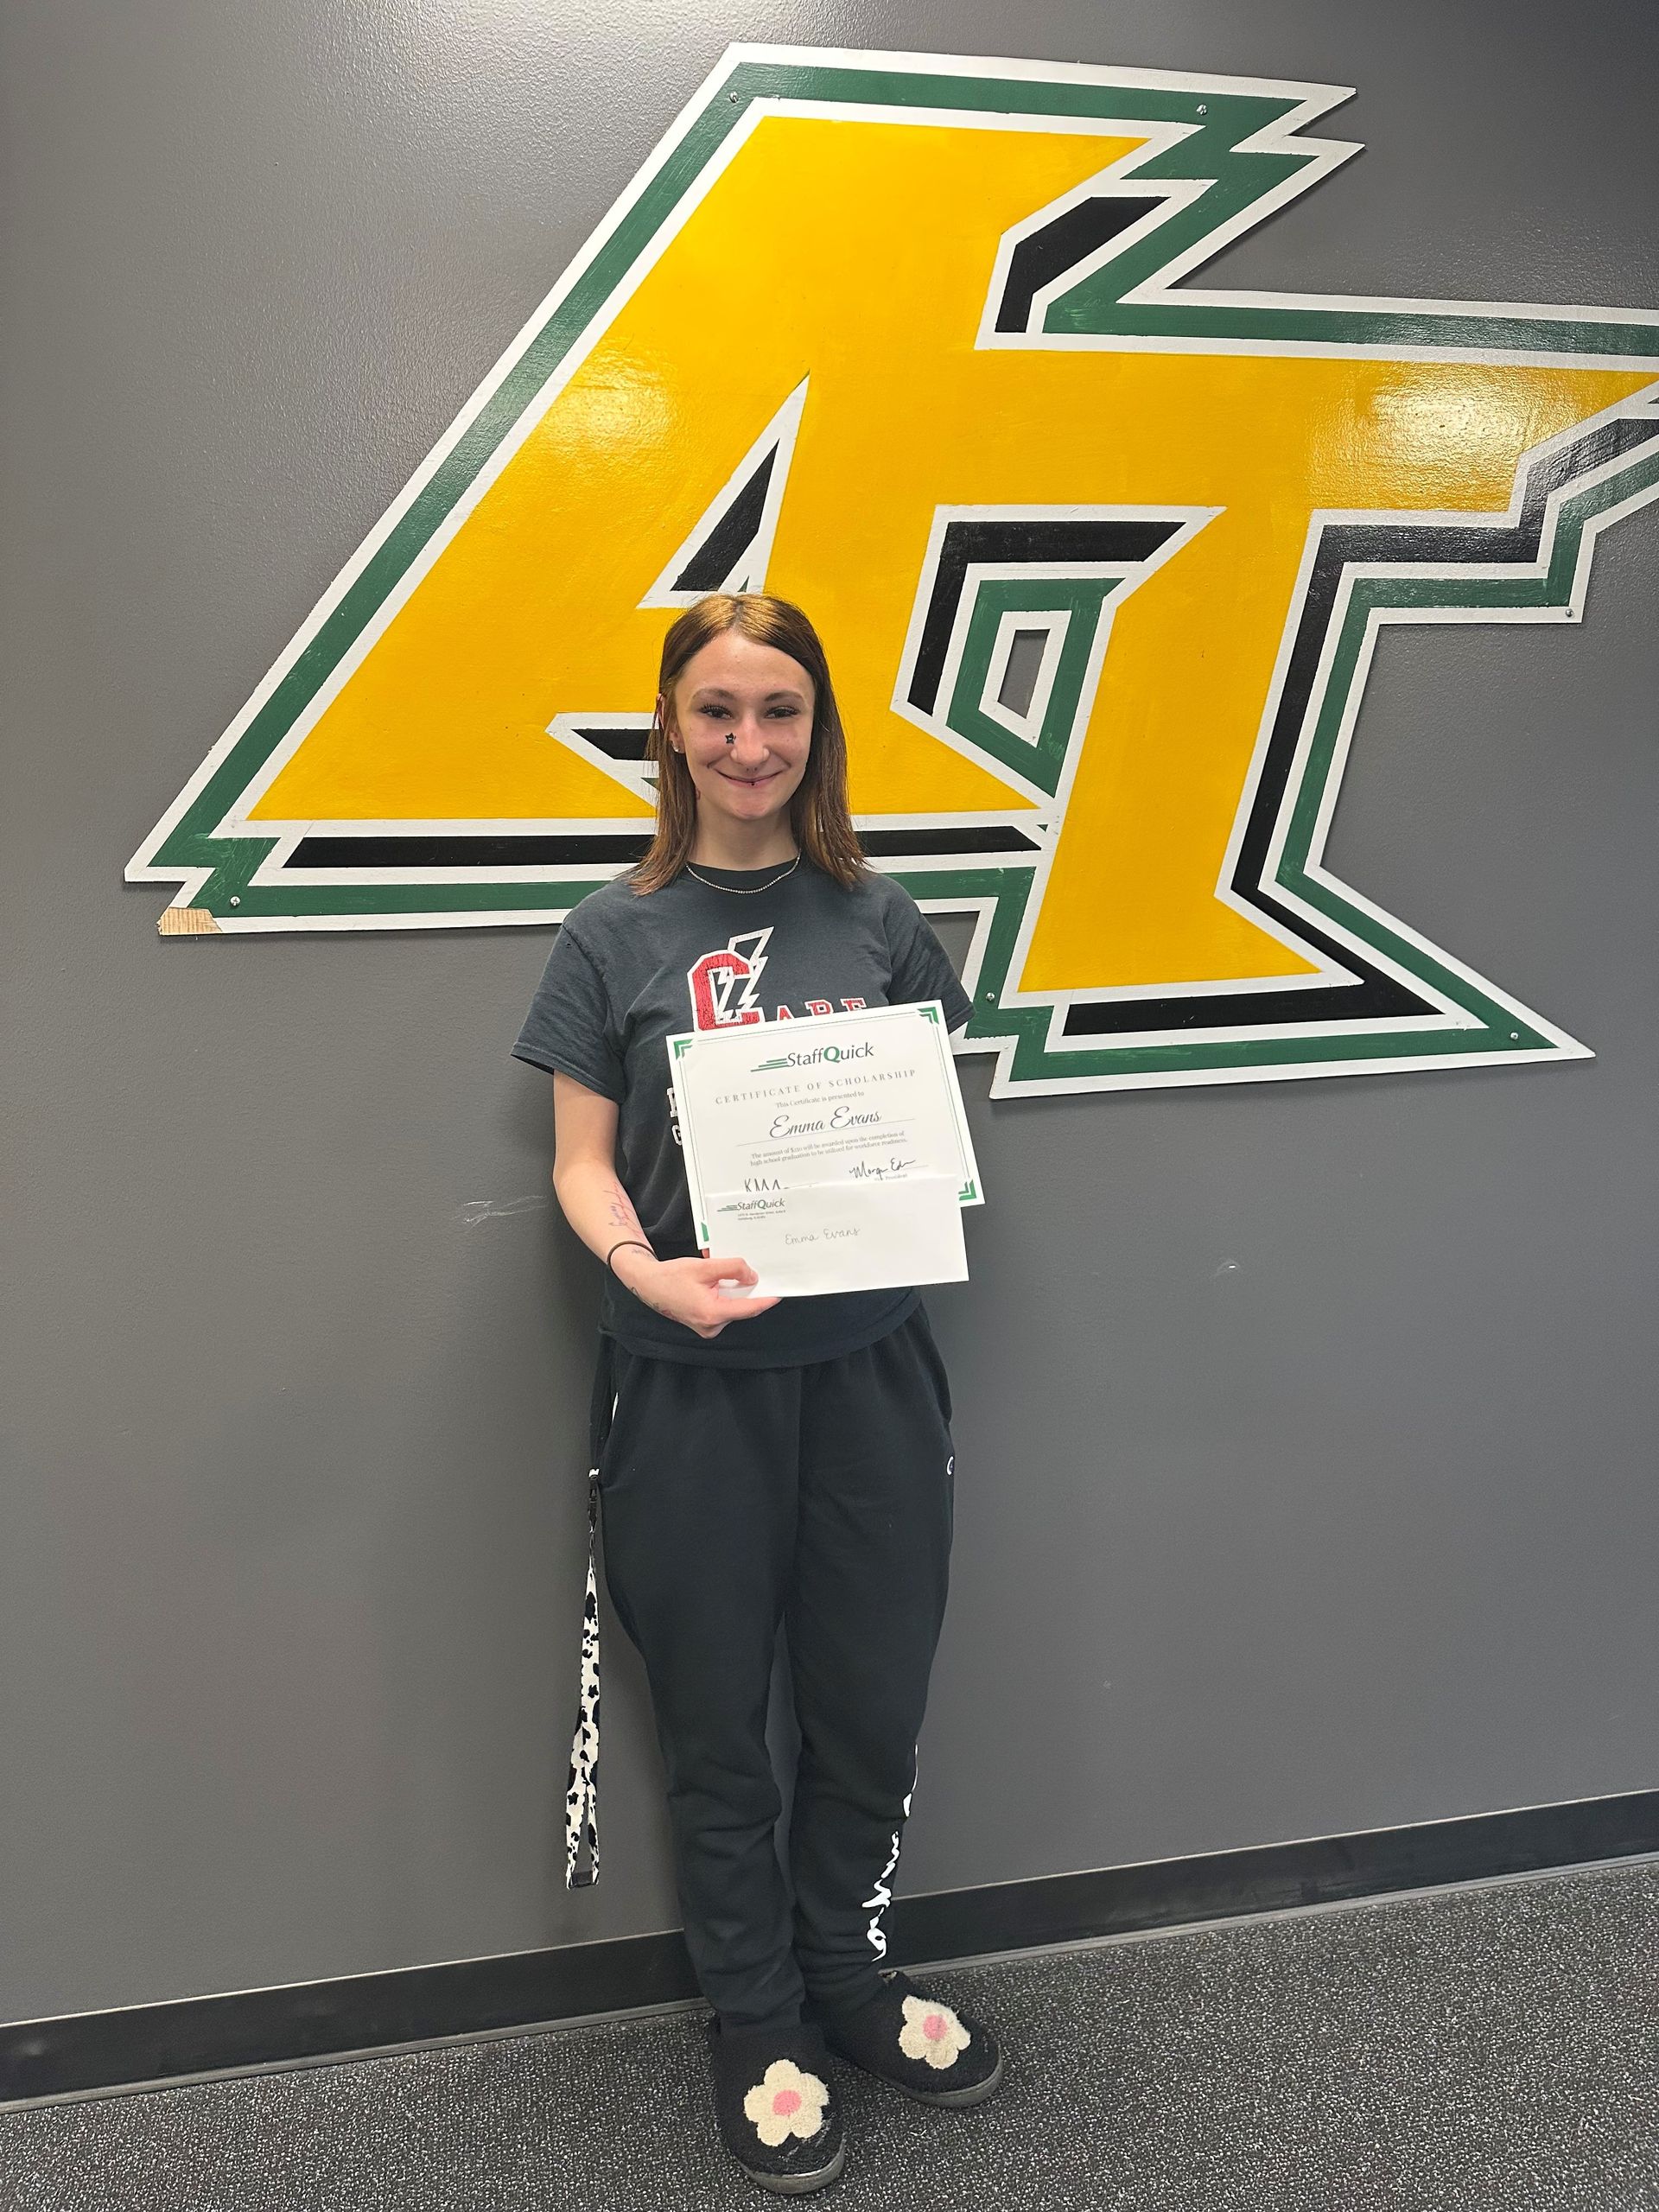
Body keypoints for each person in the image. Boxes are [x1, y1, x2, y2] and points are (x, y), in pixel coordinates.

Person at [513, 593, 1001, 2194]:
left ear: (817, 728)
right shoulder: (611, 934)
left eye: (778, 710)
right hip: (688, 1386)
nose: (747, 742)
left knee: (870, 1701)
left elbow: (919, 1137)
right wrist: (643, 1268)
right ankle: (757, 2014)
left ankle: (848, 1973)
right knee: (720, 1723)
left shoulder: (881, 919)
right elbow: (579, 1165)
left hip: (870, 1376)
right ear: (672, 726)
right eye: (716, 710)